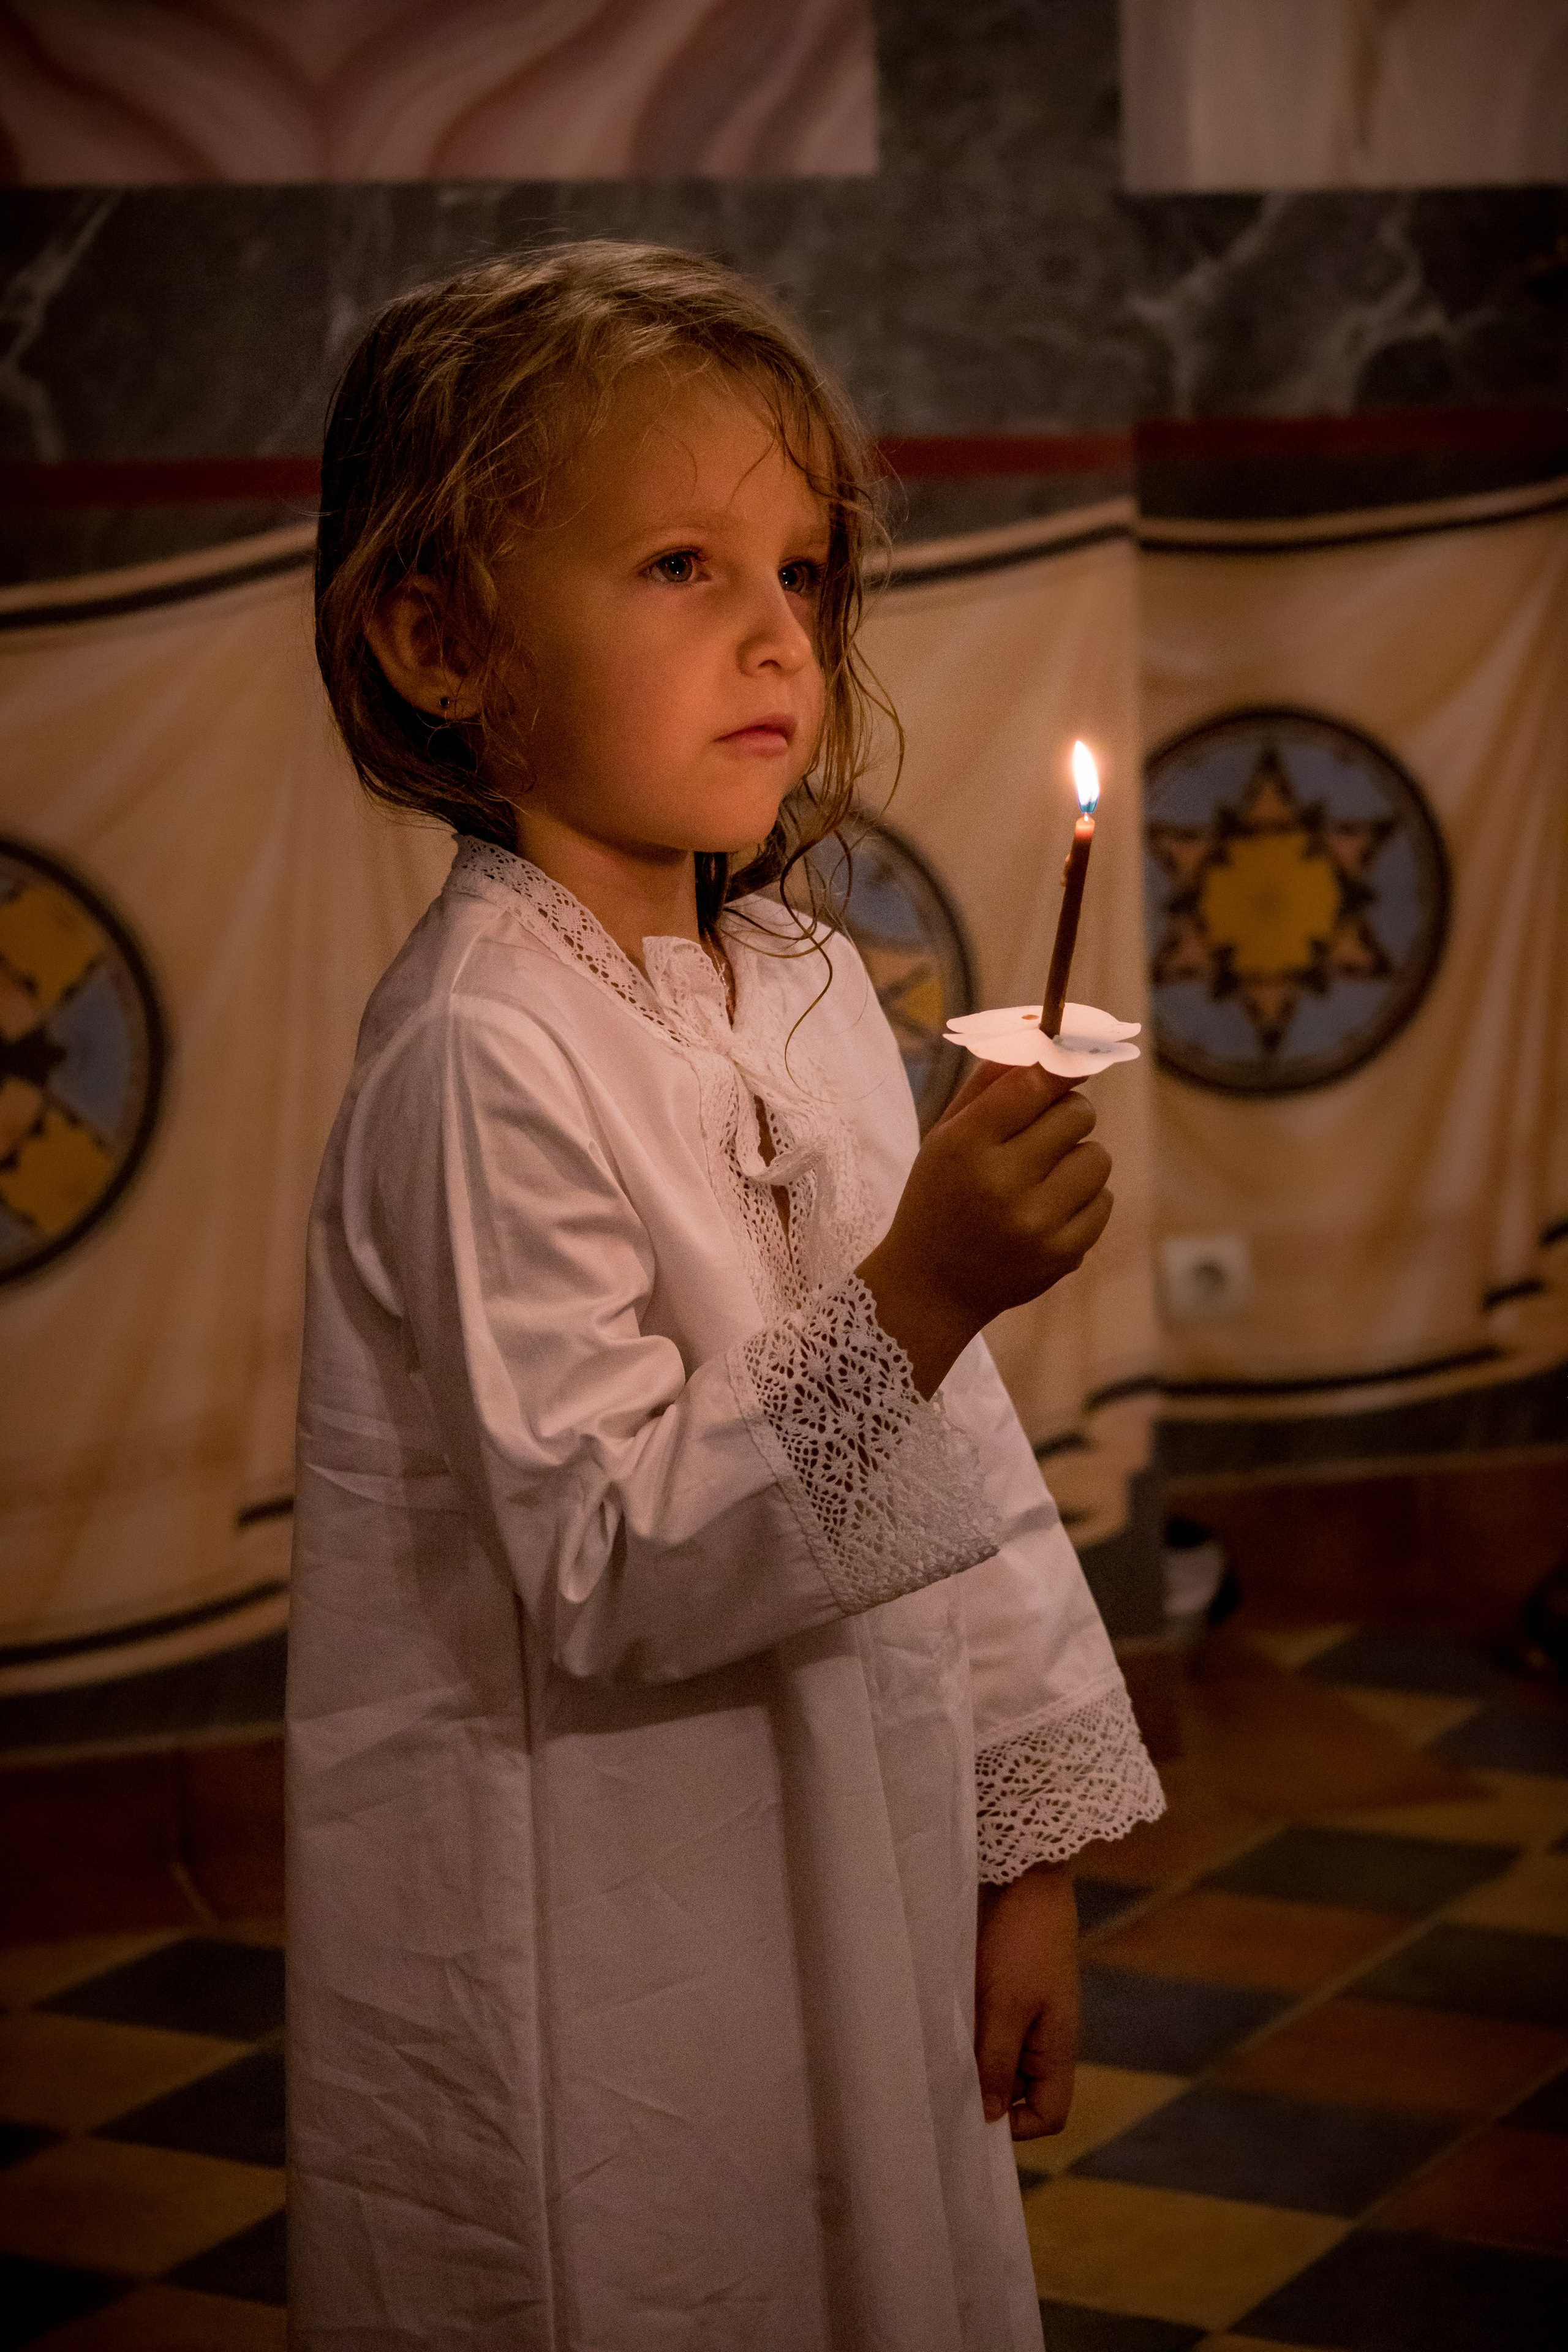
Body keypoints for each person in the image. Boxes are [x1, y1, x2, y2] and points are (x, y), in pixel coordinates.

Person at [288, 239, 1164, 2352]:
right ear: (441, 636)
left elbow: (961, 1460)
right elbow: (603, 1557)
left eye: (805, 570)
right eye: (682, 565)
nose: (778, 634)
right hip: (618, 1921)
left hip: (869, 1853)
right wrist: (923, 1290)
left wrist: (1016, 1850)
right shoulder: (486, 1050)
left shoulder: (803, 986)